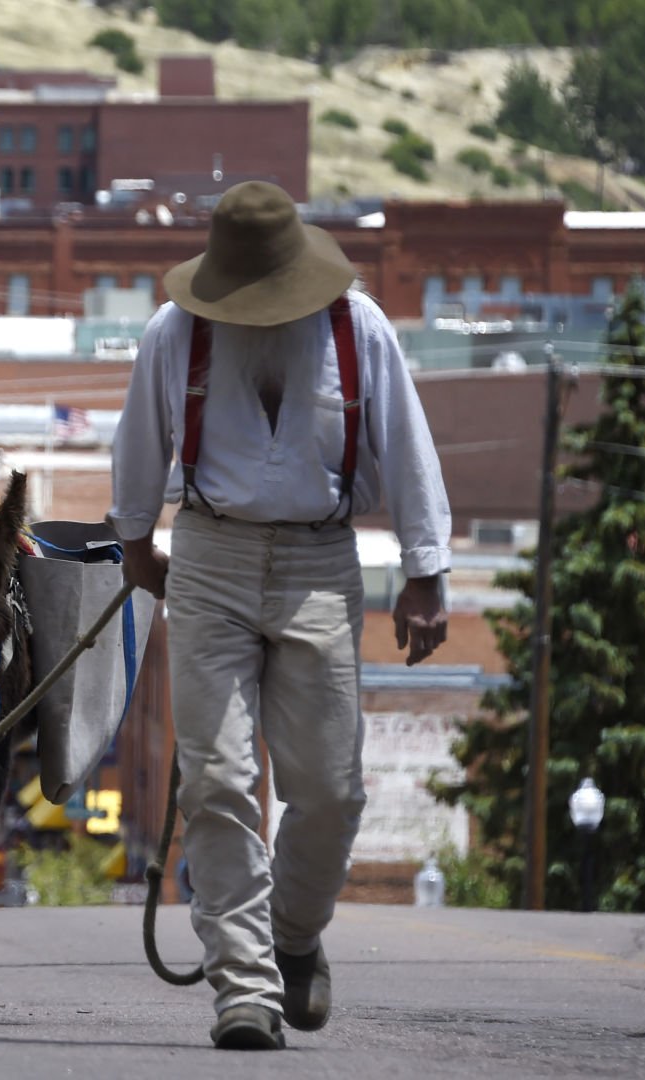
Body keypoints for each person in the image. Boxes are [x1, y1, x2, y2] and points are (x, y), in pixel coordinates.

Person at [109, 182, 451, 1051]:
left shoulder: (357, 328)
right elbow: (138, 447)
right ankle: (246, 987)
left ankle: (295, 939)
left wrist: (426, 573)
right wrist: (135, 543)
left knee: (331, 790)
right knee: (219, 782)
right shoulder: (174, 333)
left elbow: (408, 449)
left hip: (321, 561)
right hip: (211, 557)